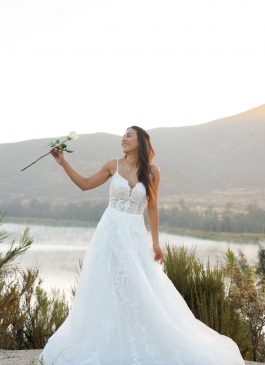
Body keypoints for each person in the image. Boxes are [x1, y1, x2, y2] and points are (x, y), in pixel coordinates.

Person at [38, 126, 245, 365]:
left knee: (141, 287)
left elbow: (153, 207)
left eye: (129, 135)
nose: (123, 138)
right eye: (123, 135)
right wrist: (63, 162)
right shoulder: (112, 165)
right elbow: (84, 184)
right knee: (107, 288)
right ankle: (109, 343)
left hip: (134, 236)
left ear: (141, 142)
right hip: (109, 234)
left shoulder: (152, 171)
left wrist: (156, 243)